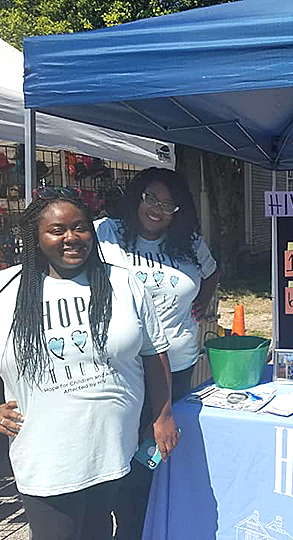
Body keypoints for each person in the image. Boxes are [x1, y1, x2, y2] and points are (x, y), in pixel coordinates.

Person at [0, 187, 179, 540]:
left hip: (114, 453)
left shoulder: (122, 282)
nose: (71, 238)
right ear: (36, 236)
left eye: (80, 227)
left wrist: (163, 416)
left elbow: (155, 354)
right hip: (47, 462)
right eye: (57, 230)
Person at [94, 167, 219, 539]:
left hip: (176, 368)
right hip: (122, 369)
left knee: (156, 457)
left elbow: (211, 273)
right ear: (136, 197)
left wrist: (204, 299)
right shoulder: (107, 232)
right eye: (150, 198)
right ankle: (130, 530)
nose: (157, 209)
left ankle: (151, 527)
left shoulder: (189, 241)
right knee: (121, 459)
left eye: (168, 204)